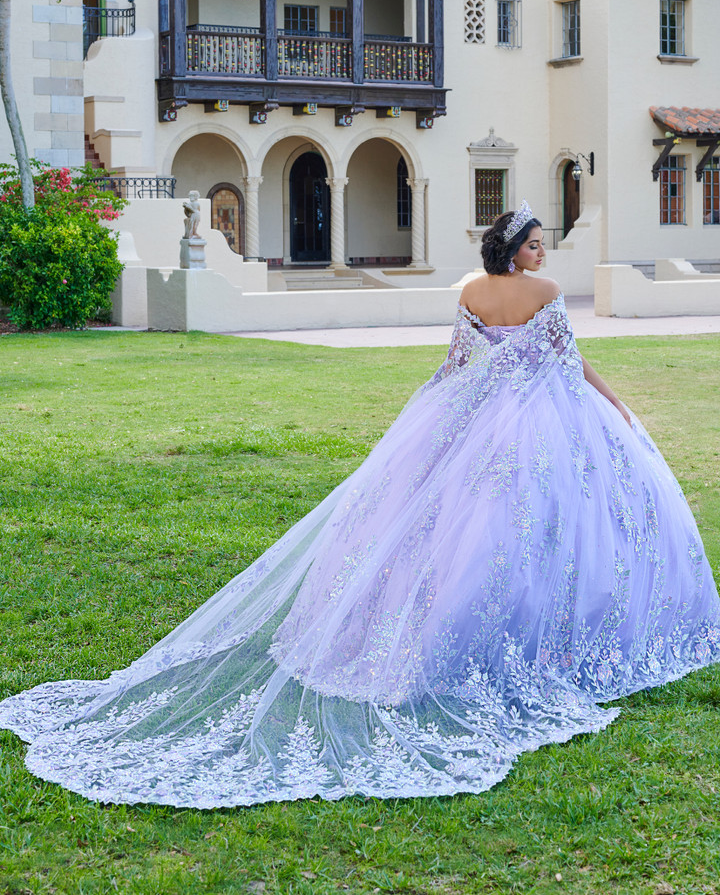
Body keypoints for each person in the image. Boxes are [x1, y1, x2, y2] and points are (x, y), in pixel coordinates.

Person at [1, 202, 718, 809]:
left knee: (448, 523)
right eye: (533, 242)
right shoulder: (548, 290)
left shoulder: (470, 288)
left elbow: (459, 361)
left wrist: (434, 412)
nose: (539, 250)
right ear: (518, 248)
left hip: (473, 413)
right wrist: (615, 401)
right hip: (537, 418)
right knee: (546, 524)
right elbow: (565, 360)